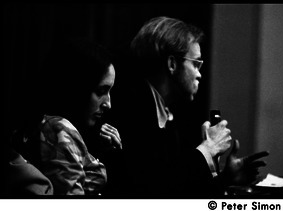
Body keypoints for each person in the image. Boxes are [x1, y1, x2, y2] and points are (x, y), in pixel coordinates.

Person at [110, 16, 268, 198]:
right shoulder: (134, 109)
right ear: (172, 64)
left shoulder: (164, 111)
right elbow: (153, 191)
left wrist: (225, 179)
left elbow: (177, 186)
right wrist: (208, 148)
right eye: (196, 64)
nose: (199, 74)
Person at [19, 37, 121, 195]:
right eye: (101, 91)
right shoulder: (58, 129)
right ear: (78, 87)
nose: (108, 104)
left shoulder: (49, 125)